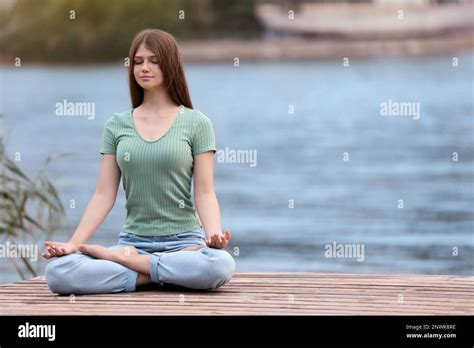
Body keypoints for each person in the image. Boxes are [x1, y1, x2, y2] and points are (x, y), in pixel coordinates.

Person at [42, 29, 235, 294]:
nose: (145, 67)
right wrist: (74, 245)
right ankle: (158, 271)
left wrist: (212, 236)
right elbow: (103, 194)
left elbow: (204, 192)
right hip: (133, 242)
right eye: (138, 61)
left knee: (220, 264)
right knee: (57, 273)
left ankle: (127, 265)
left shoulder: (197, 123)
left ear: (170, 65)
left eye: (154, 61)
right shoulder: (117, 124)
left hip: (184, 243)